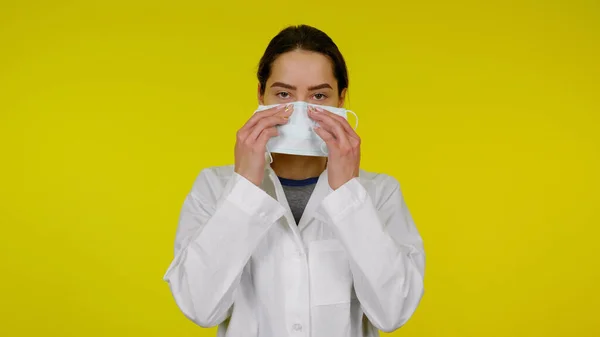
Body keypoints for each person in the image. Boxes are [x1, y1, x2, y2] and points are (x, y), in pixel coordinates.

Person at [163, 24, 425, 337]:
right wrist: (245, 187)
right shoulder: (213, 187)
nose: (300, 109)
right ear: (261, 96)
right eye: (284, 94)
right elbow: (199, 307)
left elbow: (393, 312)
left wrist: (348, 196)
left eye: (319, 95)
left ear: (341, 99)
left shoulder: (379, 193)